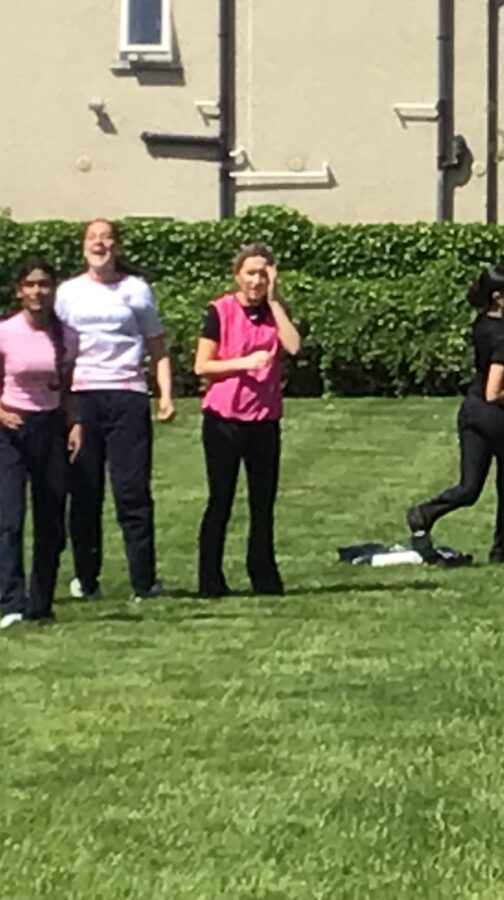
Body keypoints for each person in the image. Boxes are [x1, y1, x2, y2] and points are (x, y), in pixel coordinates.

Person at [55, 218, 174, 601]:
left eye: (107, 238)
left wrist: (165, 396)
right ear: (83, 247)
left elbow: (157, 349)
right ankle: (86, 580)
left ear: (116, 246)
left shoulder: (136, 289)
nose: (100, 244)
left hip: (127, 396)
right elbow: (55, 350)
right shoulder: (68, 293)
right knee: (84, 491)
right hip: (82, 396)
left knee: (131, 491)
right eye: (92, 238)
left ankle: (144, 581)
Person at [193, 244, 301, 598]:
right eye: (250, 273)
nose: (256, 280)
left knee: (262, 502)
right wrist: (243, 363)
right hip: (223, 419)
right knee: (220, 499)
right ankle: (210, 578)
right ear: (237, 275)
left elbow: (293, 346)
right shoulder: (220, 311)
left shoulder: (275, 311)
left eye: (263, 273)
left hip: (264, 420)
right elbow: (202, 365)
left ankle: (264, 575)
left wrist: (274, 301)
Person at [407, 266, 504, 564]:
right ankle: (502, 552)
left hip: (472, 414)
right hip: (503, 419)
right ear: (499, 297)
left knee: (468, 488)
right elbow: (494, 391)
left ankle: (424, 513)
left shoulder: (482, 324)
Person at [0, 258, 83, 630]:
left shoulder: (68, 336)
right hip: (10, 429)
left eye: (44, 284)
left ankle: (40, 602)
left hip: (50, 427)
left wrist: (74, 423)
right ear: (19, 291)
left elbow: (67, 388)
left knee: (51, 520)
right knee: (10, 519)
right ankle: (11, 602)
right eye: (30, 285)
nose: (37, 291)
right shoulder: (5, 332)